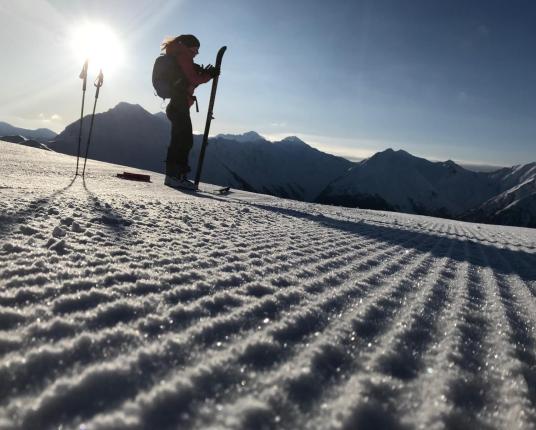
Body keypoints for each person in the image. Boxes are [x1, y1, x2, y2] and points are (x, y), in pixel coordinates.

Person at [161, 34, 218, 188]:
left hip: (177, 105)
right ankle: (175, 176)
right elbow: (193, 79)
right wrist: (208, 75)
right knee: (183, 141)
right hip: (179, 105)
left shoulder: (177, 55)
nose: (196, 53)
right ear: (188, 46)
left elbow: (188, 81)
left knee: (181, 140)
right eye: (195, 50)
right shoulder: (183, 56)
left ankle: (175, 176)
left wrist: (204, 74)